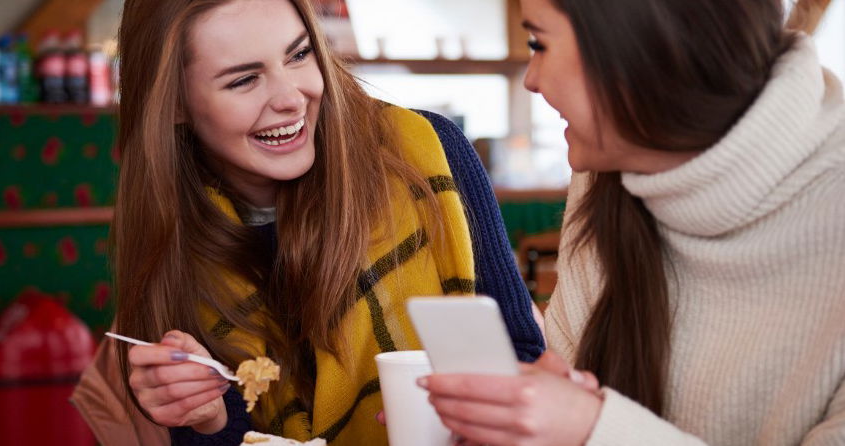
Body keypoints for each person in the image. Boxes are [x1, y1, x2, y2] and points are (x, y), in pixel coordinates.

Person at [81, 0, 545, 445]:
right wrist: (208, 419)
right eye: (244, 80)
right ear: (175, 105)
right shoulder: (174, 243)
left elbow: (523, 354)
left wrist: (475, 422)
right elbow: (227, 437)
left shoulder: (426, 156)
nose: (291, 97)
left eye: (299, 54)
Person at [423, 0, 845, 444]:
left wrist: (591, 427)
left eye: (539, 43)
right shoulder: (606, 175)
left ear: (643, 45)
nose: (531, 79)